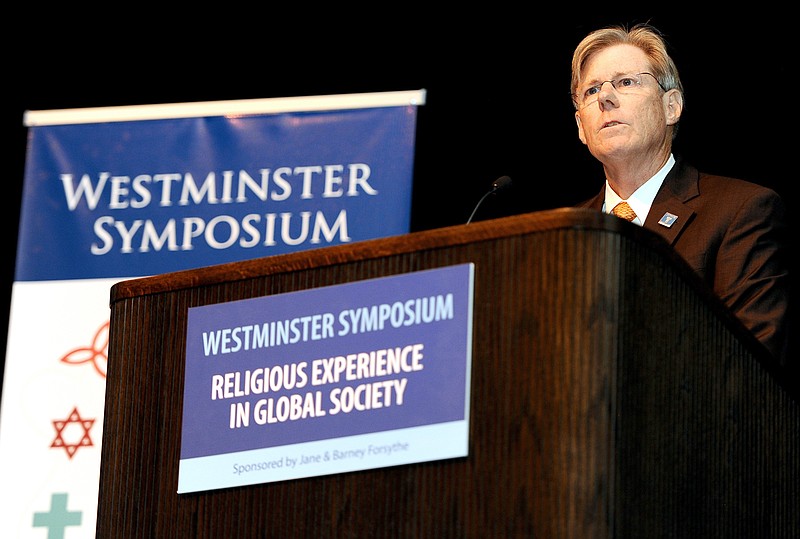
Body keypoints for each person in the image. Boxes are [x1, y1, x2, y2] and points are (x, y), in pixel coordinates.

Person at [570, 23, 791, 366]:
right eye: (592, 90)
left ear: (671, 106)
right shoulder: (563, 234)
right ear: (581, 127)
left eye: (626, 82)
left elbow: (750, 365)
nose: (605, 97)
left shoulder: (740, 211)